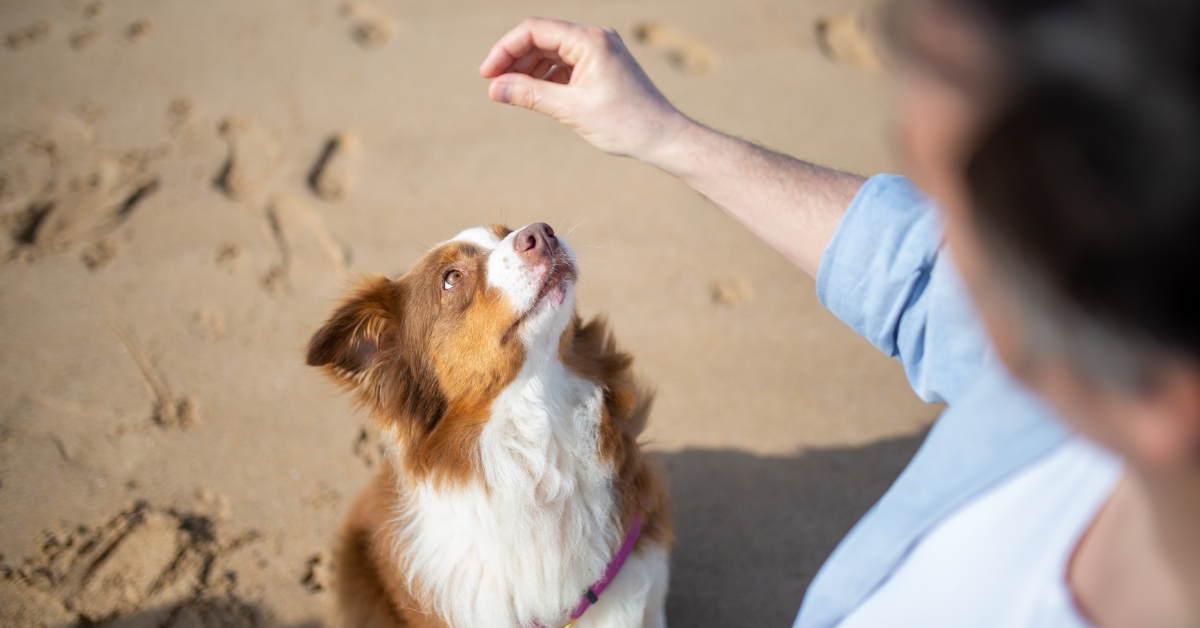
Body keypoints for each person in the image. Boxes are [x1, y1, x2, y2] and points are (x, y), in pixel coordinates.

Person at [478, 0, 1200, 627]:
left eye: (977, 221)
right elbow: (913, 276)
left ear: (1161, 396)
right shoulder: (1093, 367)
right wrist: (664, 134)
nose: (947, 258)